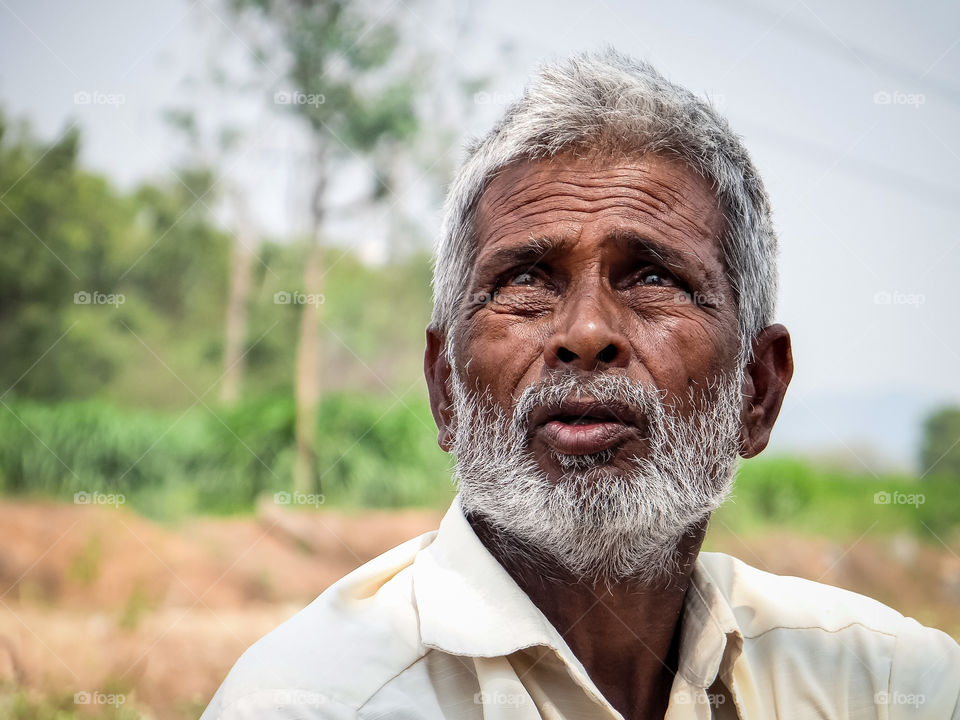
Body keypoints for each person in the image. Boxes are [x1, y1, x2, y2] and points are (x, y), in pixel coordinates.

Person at [201, 49, 960, 719]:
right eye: (526, 280)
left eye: (654, 278)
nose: (586, 332)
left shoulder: (888, 684)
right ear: (445, 392)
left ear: (757, 392)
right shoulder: (312, 703)